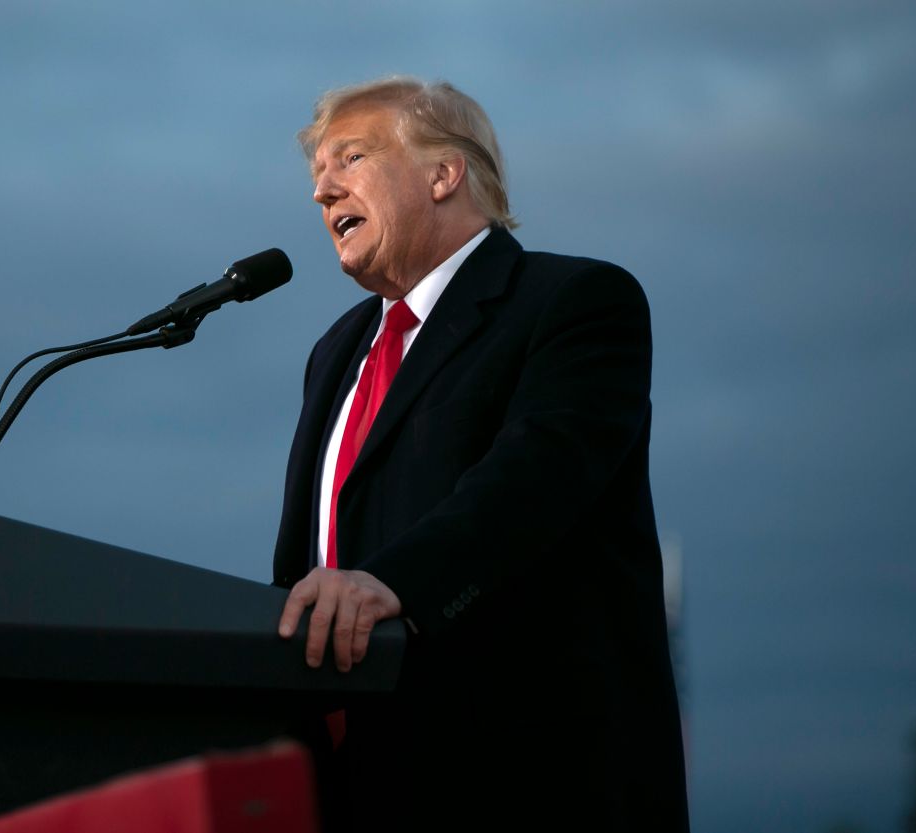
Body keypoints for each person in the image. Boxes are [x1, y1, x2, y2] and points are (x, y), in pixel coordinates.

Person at [272, 76, 689, 830]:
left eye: (351, 157)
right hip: (352, 788)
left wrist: (392, 583)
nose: (321, 191)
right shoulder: (335, 352)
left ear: (443, 173)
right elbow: (305, 563)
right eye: (316, 175)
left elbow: (536, 478)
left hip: (524, 777)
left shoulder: (576, 302)